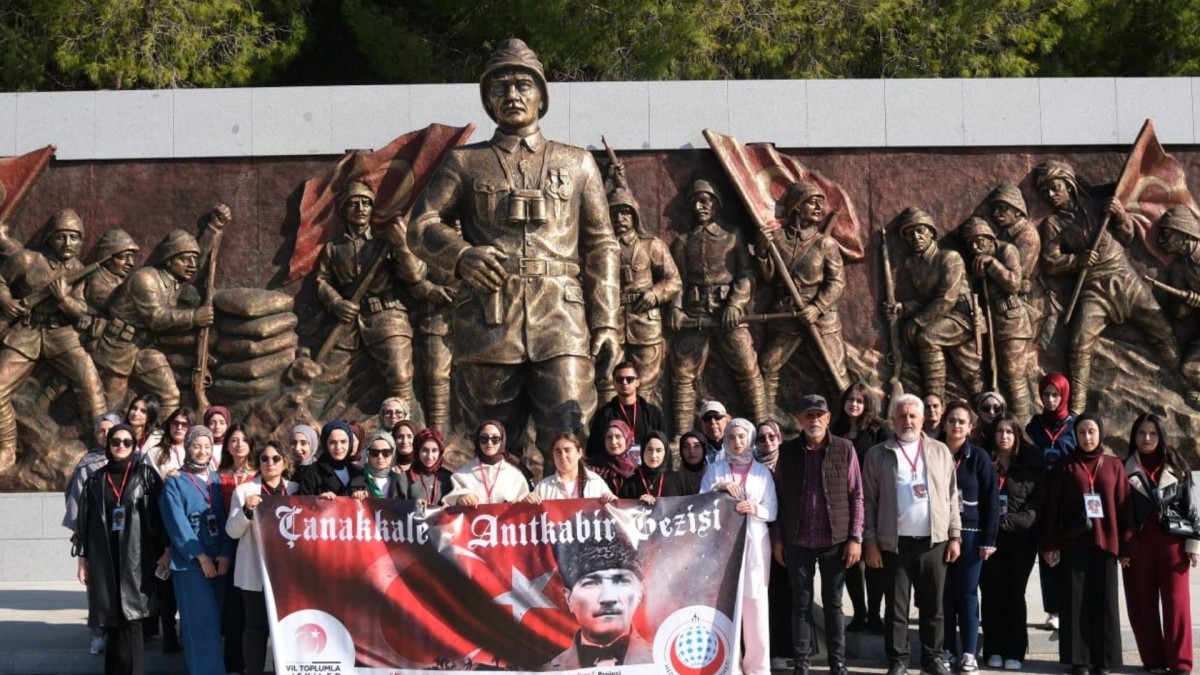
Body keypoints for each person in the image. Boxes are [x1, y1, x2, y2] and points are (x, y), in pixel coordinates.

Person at [409, 39, 622, 467]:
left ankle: (565, 529)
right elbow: (420, 225)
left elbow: (602, 245)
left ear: (542, 97)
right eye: (501, 87)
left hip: (561, 320)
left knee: (568, 433)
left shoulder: (577, 162)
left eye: (523, 86)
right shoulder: (465, 163)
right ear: (488, 100)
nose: (512, 96)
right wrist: (461, 256)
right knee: (489, 444)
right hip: (490, 322)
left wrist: (608, 321)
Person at [1035, 160, 1179, 413]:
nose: (1050, 195)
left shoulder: (1097, 207)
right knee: (1079, 344)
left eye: (1054, 187)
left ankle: (1185, 384)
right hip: (1092, 288)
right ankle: (1076, 409)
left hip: (1123, 277)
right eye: (1045, 191)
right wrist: (1075, 260)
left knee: (1162, 330)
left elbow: (1127, 237)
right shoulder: (1053, 224)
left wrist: (1120, 215)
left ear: (1068, 185)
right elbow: (1049, 262)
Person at [862, 394, 962, 675]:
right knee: (896, 608)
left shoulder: (940, 451)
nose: (908, 421)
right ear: (893, 420)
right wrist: (870, 541)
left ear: (923, 419)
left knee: (934, 606)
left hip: (934, 542)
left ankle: (932, 657)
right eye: (902, 416)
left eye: (912, 416)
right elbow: (868, 501)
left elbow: (952, 497)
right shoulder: (878, 454)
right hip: (894, 543)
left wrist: (955, 536)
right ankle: (898, 661)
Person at [0, 208, 106, 469]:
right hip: (26, 333)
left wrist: (63, 300)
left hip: (61, 334)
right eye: (62, 237)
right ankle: (6, 449)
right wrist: (5, 300)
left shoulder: (78, 269)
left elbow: (80, 309)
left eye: (74, 238)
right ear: (49, 238)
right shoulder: (26, 260)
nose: (68, 244)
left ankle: (104, 447)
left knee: (90, 381)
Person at [316, 180, 433, 415]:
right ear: (343, 210)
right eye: (354, 203)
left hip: (387, 317)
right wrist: (336, 302)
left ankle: (406, 432)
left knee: (400, 377)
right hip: (347, 324)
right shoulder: (333, 248)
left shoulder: (385, 243)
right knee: (321, 380)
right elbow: (322, 280)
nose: (360, 208)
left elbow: (415, 275)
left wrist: (401, 245)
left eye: (366, 203)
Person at [771, 395, 862, 675]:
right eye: (808, 415)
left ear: (828, 419)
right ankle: (802, 662)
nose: (814, 421)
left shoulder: (845, 449)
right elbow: (777, 497)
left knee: (833, 604)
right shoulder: (786, 452)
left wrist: (855, 537)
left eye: (819, 415)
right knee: (801, 603)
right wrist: (778, 540)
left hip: (834, 539)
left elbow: (857, 495)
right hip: (797, 540)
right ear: (800, 419)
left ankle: (838, 662)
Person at [668, 180, 768, 431]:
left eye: (705, 200)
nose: (699, 206)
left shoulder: (732, 237)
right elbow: (676, 280)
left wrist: (735, 304)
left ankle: (764, 428)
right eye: (694, 202)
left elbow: (747, 275)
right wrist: (676, 308)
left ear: (716, 204)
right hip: (694, 315)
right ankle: (681, 435)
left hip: (728, 314)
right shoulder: (682, 242)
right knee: (682, 374)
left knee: (747, 367)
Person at [1041, 413, 1133, 675]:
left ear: (1100, 434)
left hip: (1106, 543)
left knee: (1104, 603)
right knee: (1075, 602)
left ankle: (1103, 661)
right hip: (1074, 543)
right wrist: (1050, 544)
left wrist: (1127, 547)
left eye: (1092, 431)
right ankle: (1079, 660)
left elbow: (1125, 509)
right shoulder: (1065, 465)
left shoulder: (1114, 466)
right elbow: (1052, 508)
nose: (1087, 437)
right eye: (1082, 432)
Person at [93, 227, 218, 414]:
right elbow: (156, 318)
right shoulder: (145, 279)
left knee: (170, 396)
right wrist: (194, 317)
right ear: (168, 260)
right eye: (184, 259)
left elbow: (199, 266)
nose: (191, 265)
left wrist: (213, 230)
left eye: (193, 258)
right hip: (119, 347)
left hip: (145, 347)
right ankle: (104, 441)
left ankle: (160, 442)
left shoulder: (175, 279)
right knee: (111, 407)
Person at [72, 422, 165, 675]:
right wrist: (82, 559)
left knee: (132, 619)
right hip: (104, 556)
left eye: (127, 442)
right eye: (116, 441)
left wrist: (165, 549)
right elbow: (84, 522)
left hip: (136, 555)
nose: (121, 446)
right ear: (108, 445)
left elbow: (161, 514)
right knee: (111, 620)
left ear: (134, 446)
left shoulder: (145, 474)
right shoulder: (95, 479)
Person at [756, 180, 851, 406]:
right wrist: (761, 253)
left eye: (821, 203)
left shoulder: (825, 244)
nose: (820, 208)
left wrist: (817, 308)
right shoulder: (777, 239)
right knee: (768, 365)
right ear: (797, 207)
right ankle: (767, 418)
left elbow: (837, 283)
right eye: (813, 203)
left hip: (820, 315)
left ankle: (848, 419)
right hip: (787, 314)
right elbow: (769, 278)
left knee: (835, 370)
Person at [1122, 413, 1199, 675]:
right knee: (1141, 605)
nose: (1146, 438)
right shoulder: (1123, 469)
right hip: (1137, 547)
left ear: (1161, 436)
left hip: (1172, 547)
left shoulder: (1178, 467)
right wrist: (1122, 549)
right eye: (1141, 433)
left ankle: (1180, 663)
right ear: (1134, 436)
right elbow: (1119, 513)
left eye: (1152, 433)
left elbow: (1192, 508)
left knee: (1177, 605)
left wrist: (1194, 546)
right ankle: (1153, 660)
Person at [703, 417, 778, 675]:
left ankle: (758, 668)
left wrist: (754, 508)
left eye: (742, 437)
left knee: (755, 603)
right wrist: (719, 488)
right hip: (723, 544)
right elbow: (702, 501)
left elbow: (772, 509)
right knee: (727, 603)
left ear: (750, 439)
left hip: (755, 542)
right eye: (732, 437)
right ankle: (729, 665)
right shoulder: (715, 470)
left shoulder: (762, 472)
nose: (737, 442)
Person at [885, 207, 983, 401]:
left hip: (963, 317)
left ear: (931, 232)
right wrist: (903, 308)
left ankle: (936, 399)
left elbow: (946, 297)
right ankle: (934, 400)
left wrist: (918, 320)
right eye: (909, 233)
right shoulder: (913, 264)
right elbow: (927, 299)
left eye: (920, 230)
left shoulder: (949, 258)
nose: (915, 236)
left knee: (930, 339)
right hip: (942, 317)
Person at [159, 425, 233, 675]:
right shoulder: (175, 482)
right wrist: (201, 558)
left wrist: (225, 553)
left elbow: (225, 519)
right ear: (187, 448)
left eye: (207, 446)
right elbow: (177, 525)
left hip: (218, 561)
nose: (201, 451)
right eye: (196, 446)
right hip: (191, 564)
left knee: (216, 623)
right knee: (199, 624)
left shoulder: (215, 479)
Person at [980, 412, 1047, 671]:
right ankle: (993, 648)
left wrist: (1005, 523)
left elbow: (1035, 509)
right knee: (991, 593)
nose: (1004, 436)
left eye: (1009, 432)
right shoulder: (985, 461)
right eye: (1000, 431)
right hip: (988, 539)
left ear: (1017, 434)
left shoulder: (1032, 464)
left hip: (1020, 539)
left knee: (1014, 593)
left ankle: (1015, 651)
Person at [604, 187, 681, 405]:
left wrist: (654, 294)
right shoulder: (602, 249)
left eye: (625, 213)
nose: (619, 219)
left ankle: (646, 433)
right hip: (613, 322)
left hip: (645, 323)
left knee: (646, 385)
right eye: (614, 213)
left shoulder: (651, 245)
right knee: (609, 384)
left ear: (634, 216)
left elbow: (673, 280)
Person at [226, 440, 297, 675]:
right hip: (255, 570)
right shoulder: (245, 491)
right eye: (265, 459)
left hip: (287, 574)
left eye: (276, 458)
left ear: (285, 462)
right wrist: (246, 510)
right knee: (255, 628)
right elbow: (232, 531)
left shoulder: (296, 490)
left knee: (285, 629)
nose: (270, 463)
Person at [940, 401, 999, 673]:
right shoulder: (933, 452)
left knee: (966, 594)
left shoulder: (979, 457)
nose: (956, 425)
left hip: (972, 534)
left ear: (970, 426)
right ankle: (947, 648)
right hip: (939, 534)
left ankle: (968, 652)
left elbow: (991, 499)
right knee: (945, 594)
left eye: (961, 421)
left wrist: (989, 539)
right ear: (944, 422)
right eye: (951, 420)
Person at [960, 218, 1035, 420]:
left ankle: (1023, 425)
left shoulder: (1006, 251)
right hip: (989, 321)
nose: (975, 247)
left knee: (1013, 375)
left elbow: (1014, 284)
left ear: (990, 238)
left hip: (1012, 321)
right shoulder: (974, 260)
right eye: (970, 243)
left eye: (979, 241)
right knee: (994, 374)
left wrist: (992, 264)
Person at [545, 534, 651, 668]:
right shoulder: (545, 670)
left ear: (640, 592)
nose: (608, 598)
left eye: (622, 581)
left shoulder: (664, 661)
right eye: (590, 583)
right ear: (568, 598)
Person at [831, 382, 888, 632]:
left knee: (873, 560)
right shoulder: (835, 430)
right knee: (851, 561)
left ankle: (875, 613)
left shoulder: (879, 431)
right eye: (850, 399)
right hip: (842, 505)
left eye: (860, 400)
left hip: (872, 501)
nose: (854, 404)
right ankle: (859, 612)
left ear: (867, 404)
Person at [1025, 372, 1075, 629]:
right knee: (1047, 553)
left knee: (1068, 553)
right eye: (1046, 394)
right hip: (1042, 496)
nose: (1051, 399)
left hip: (1067, 498)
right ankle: (1053, 609)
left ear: (1064, 394)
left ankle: (1070, 605)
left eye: (1056, 394)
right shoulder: (1034, 426)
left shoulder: (1075, 425)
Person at [215, 422, 254, 673]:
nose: (238, 445)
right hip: (226, 540)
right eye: (233, 440)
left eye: (243, 440)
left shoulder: (259, 474)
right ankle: (232, 662)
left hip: (253, 543)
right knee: (231, 606)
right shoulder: (218, 476)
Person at [1153, 207, 1200, 408]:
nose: (1161, 241)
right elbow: (1179, 313)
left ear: (1183, 231)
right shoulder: (1179, 269)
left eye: (1166, 234)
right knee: (1191, 368)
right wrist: (1187, 303)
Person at [586, 361, 666, 460]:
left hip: (646, 470)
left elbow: (663, 445)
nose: (624, 383)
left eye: (629, 379)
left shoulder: (653, 413)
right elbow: (593, 450)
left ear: (637, 382)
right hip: (614, 470)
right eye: (619, 380)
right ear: (614, 383)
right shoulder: (603, 414)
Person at [444, 420, 532, 506]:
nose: (489, 443)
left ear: (502, 440)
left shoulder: (514, 474)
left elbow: (524, 506)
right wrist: (461, 498)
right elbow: (450, 503)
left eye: (495, 439)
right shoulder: (463, 474)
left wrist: (525, 500)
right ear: (478, 441)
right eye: (484, 438)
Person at [528, 432, 615, 502]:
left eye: (567, 450)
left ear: (579, 453)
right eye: (558, 452)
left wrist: (612, 501)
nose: (563, 456)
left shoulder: (595, 482)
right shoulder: (544, 487)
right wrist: (527, 503)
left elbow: (615, 515)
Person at [298, 421, 361, 498]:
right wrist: (318, 501)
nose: (338, 447)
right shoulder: (313, 473)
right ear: (325, 443)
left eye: (343, 442)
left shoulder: (358, 472)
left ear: (350, 443)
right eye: (332, 442)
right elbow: (302, 503)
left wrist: (362, 496)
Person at [619, 431, 685, 503]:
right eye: (649, 450)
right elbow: (621, 510)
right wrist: (636, 503)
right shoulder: (631, 482)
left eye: (659, 450)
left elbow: (686, 507)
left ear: (665, 453)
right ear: (642, 451)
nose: (653, 455)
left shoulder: (677, 479)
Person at [400, 428, 454, 505]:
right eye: (424, 450)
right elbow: (395, 511)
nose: (429, 456)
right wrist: (413, 506)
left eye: (434, 450)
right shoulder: (404, 479)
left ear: (440, 452)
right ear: (417, 451)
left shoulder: (449, 479)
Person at [588, 419, 639, 494]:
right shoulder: (593, 468)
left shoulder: (637, 468)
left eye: (618, 436)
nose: (613, 442)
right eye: (609, 437)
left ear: (627, 439)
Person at [151, 407, 195, 479]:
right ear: (169, 425)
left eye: (184, 424)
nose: (179, 427)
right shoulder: (155, 452)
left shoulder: (197, 452)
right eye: (175, 423)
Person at [357, 430, 401, 498]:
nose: (380, 457)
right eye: (374, 452)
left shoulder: (400, 481)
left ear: (393, 453)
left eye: (386, 452)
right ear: (367, 453)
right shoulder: (357, 479)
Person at [697, 400, 729, 464]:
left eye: (717, 417)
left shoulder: (741, 446)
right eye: (707, 418)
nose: (712, 422)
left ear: (727, 420)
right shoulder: (695, 450)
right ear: (701, 424)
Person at [678, 431, 708, 495]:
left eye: (697, 446)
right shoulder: (674, 478)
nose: (691, 451)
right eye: (686, 447)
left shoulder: (712, 475)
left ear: (704, 449)